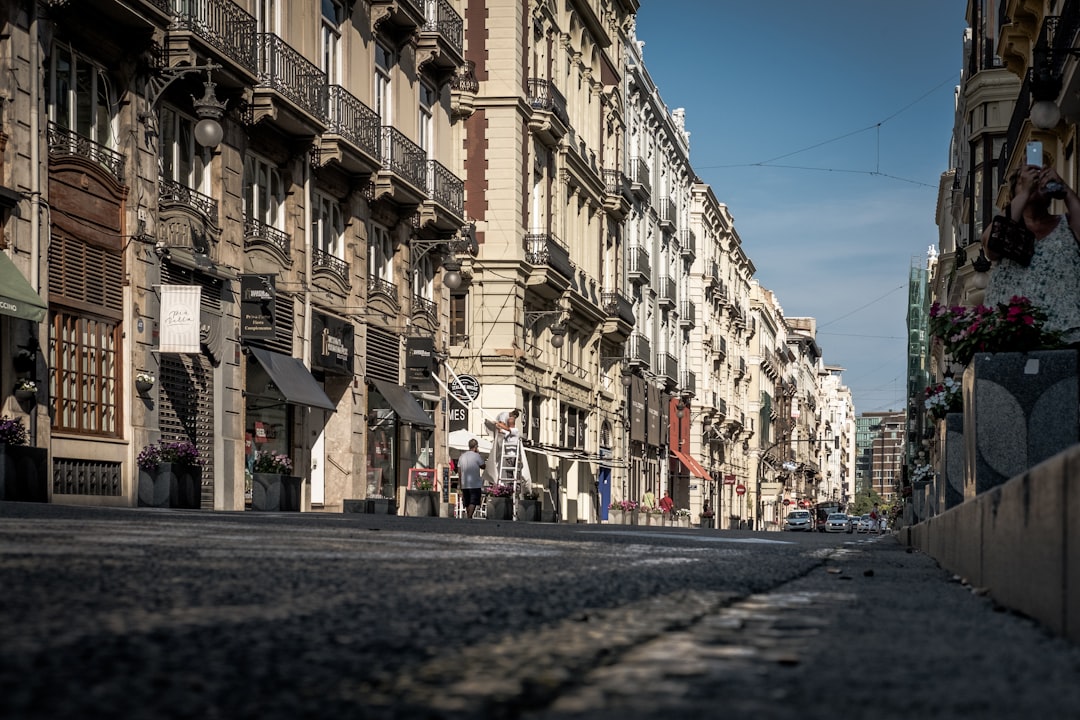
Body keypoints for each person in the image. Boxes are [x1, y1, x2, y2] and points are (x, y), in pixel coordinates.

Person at [982, 163, 1080, 344]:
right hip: (1011, 335)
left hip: (1068, 336)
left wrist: (1064, 188)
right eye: (1024, 180)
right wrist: (1025, 192)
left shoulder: (1067, 224)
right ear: (1014, 194)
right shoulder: (1008, 230)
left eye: (1040, 179)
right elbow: (990, 244)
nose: (1034, 182)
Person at [457, 438, 486, 519]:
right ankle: (469, 517)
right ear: (476, 446)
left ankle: (469, 516)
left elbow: (459, 471)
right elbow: (483, 466)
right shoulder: (477, 456)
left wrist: (459, 484)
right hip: (475, 483)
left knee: (467, 501)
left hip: (464, 483)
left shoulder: (461, 456)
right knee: (473, 501)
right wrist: (479, 454)